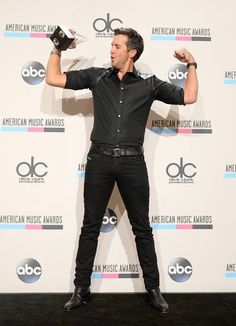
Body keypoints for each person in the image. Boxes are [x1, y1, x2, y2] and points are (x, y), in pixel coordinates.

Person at [46, 27, 198, 314]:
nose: (111, 50)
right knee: (90, 227)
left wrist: (191, 64)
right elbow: (53, 78)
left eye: (117, 46)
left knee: (142, 228)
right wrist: (57, 48)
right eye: (111, 45)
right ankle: (81, 289)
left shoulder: (149, 84)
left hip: (132, 163)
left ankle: (153, 290)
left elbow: (189, 97)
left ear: (132, 52)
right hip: (99, 161)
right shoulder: (96, 76)